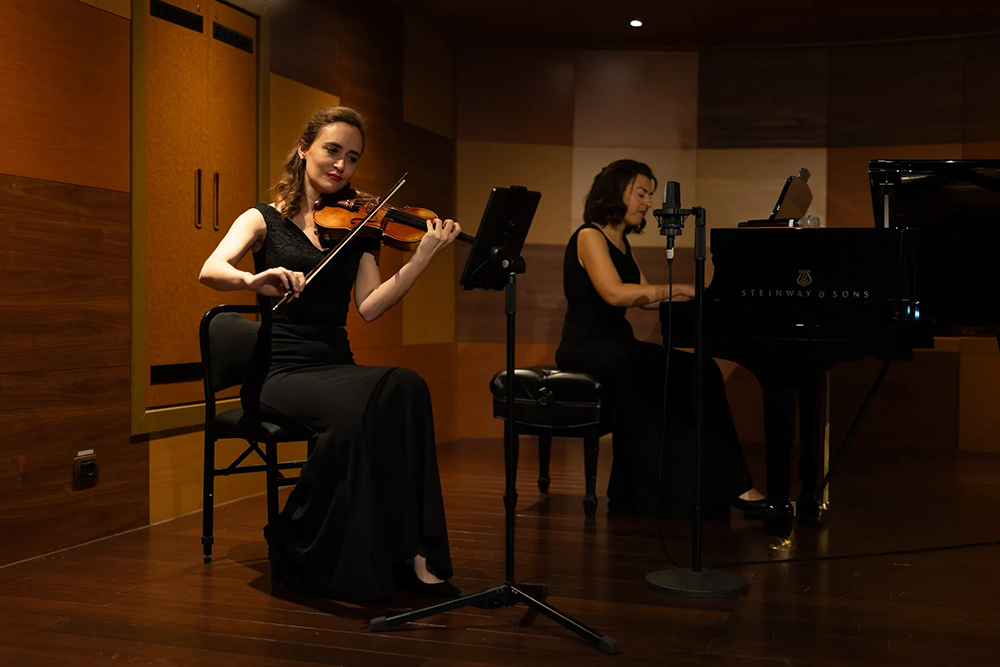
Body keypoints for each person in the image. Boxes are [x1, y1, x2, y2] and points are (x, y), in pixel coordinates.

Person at [199, 106, 463, 603]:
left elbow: (369, 306)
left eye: (353, 157)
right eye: (332, 150)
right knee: (358, 411)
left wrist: (423, 258)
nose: (341, 165)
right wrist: (251, 280)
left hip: (333, 366)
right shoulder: (263, 219)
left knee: (406, 384)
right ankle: (299, 539)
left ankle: (415, 550)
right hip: (279, 371)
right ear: (304, 150)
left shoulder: (359, 225)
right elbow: (211, 269)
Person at [555, 159, 768, 519]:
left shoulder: (619, 240)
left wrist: (695, 296)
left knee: (701, 369)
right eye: (641, 193)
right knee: (694, 371)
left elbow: (643, 298)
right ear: (616, 191)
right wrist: (675, 287)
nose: (648, 204)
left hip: (617, 346)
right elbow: (614, 294)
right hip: (588, 348)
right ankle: (723, 487)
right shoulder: (589, 235)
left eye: (650, 195)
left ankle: (704, 487)